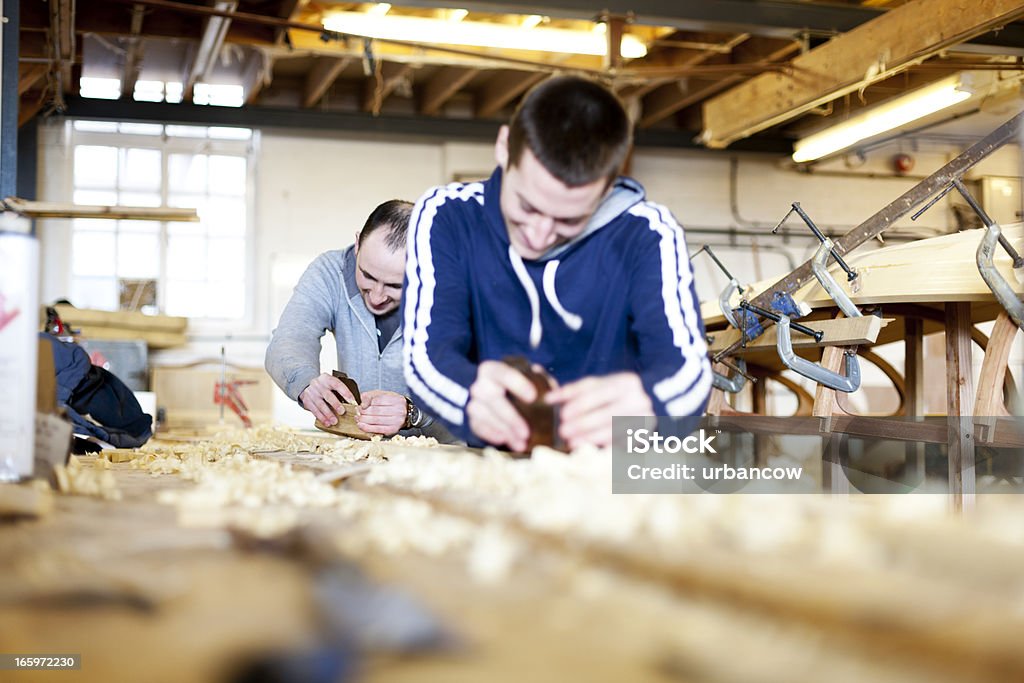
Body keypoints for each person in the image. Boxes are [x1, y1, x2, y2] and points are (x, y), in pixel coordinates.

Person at [403, 75, 711, 451]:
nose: (539, 235)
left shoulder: (647, 233)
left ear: (608, 187)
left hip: (614, 470)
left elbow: (688, 370)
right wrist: (467, 397)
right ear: (503, 148)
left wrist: (654, 404)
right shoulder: (447, 216)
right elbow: (426, 357)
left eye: (569, 220)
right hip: (497, 470)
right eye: (526, 207)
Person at [266, 199, 450, 440]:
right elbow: (290, 339)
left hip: (441, 457)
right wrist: (305, 382)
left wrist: (415, 413)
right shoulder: (330, 272)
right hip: (359, 454)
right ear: (357, 245)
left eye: (395, 285)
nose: (377, 296)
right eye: (367, 275)